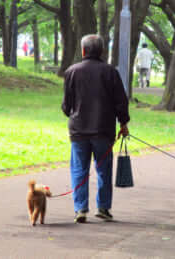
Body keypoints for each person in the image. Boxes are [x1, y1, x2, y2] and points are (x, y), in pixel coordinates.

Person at [62, 34, 130, 224]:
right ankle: (103, 208)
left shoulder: (71, 71)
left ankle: (80, 209)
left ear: (83, 50)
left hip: (78, 131)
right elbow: (121, 102)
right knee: (103, 169)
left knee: (79, 169)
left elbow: (66, 106)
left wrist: (74, 115)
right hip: (103, 130)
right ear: (102, 51)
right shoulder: (110, 72)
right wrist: (123, 123)